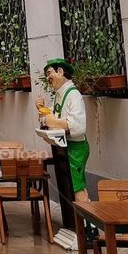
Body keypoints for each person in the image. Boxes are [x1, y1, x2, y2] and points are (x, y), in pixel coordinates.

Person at [35, 57, 89, 202]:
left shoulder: (73, 95)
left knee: (76, 186)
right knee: (69, 185)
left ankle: (86, 221)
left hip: (75, 148)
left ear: (60, 71)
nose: (48, 78)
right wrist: (42, 109)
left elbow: (78, 127)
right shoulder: (59, 95)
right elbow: (50, 118)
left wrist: (54, 121)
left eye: (49, 73)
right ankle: (74, 220)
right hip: (64, 147)